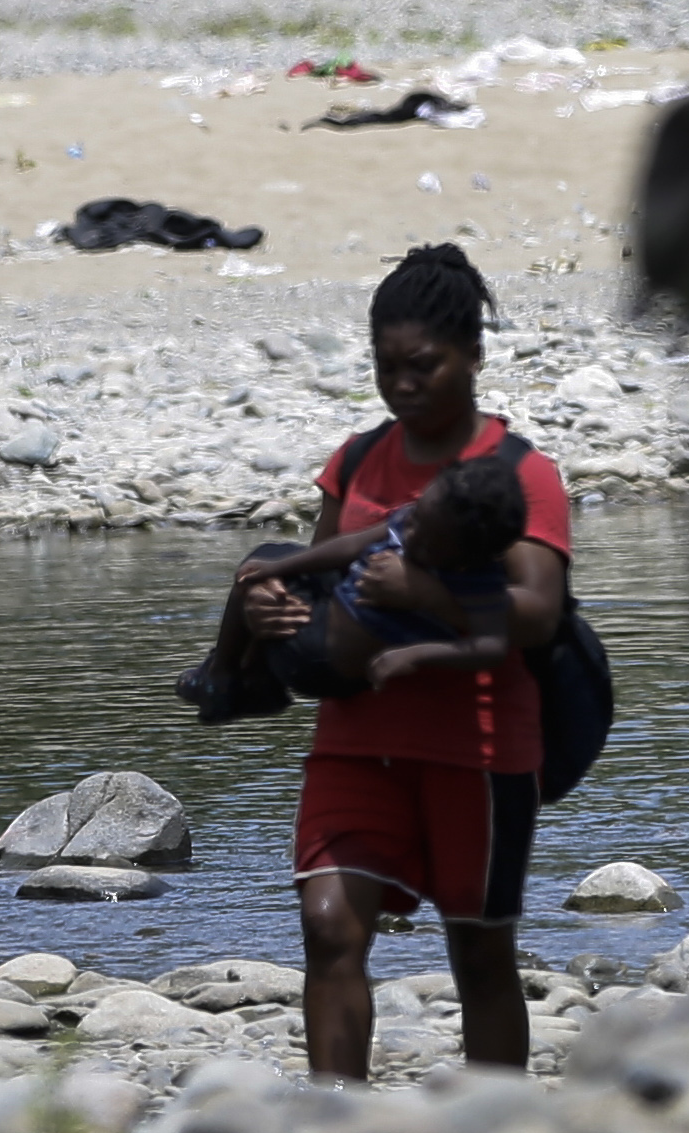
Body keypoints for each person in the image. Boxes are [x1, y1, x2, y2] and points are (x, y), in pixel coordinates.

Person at [226, 245, 574, 1082]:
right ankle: (332, 1121)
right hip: (356, 735)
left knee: (478, 952)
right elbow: (321, 581)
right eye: (387, 368)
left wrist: (424, 591)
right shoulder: (354, 461)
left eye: (423, 366)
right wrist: (272, 610)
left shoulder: (520, 475)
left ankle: (495, 1132)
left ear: (474, 358)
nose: (402, 385)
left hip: (478, 752)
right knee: (329, 926)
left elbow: (537, 613)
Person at [178, 447, 539, 710]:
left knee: (261, 575)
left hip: (322, 660)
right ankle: (241, 676)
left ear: (466, 558)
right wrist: (278, 570)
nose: (410, 534)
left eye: (427, 542)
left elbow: (490, 646)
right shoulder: (422, 518)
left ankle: (223, 679)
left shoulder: (477, 580)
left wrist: (417, 653)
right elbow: (350, 544)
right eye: (414, 520)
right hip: (330, 611)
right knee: (267, 559)